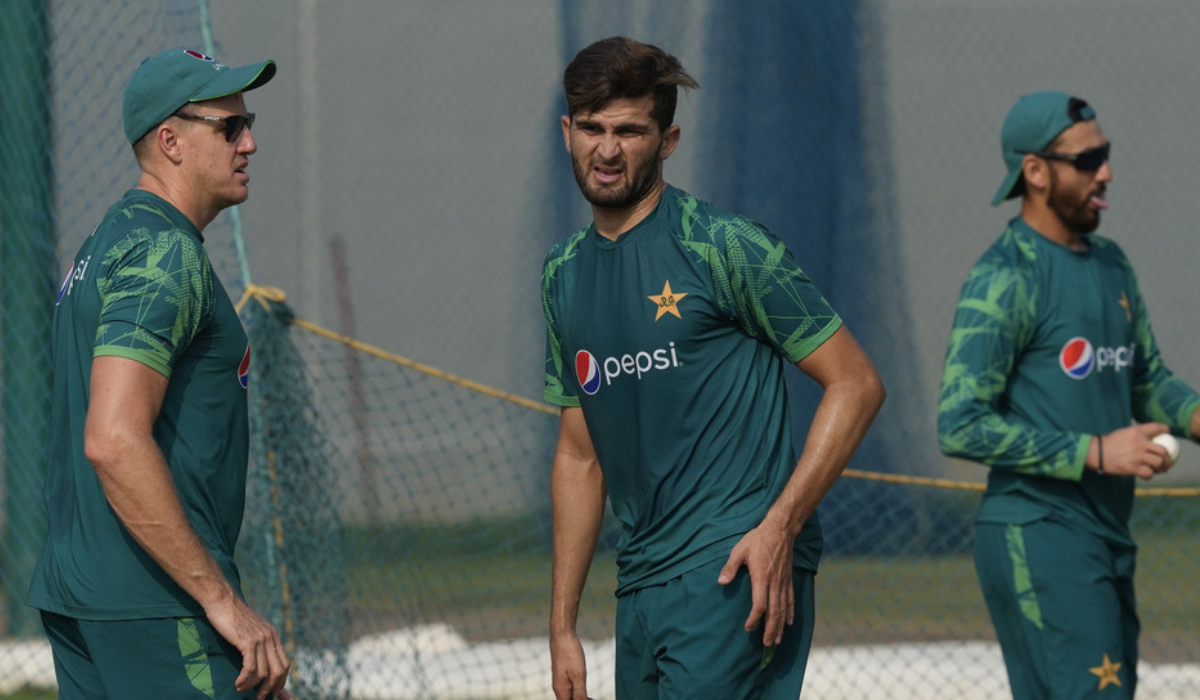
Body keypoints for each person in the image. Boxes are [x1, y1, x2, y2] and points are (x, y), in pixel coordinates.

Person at [541, 36, 885, 700]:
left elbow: (857, 383)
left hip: (731, 570)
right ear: (567, 131)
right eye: (592, 128)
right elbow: (580, 456)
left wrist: (780, 527)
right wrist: (562, 627)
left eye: (629, 132)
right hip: (639, 581)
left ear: (667, 141)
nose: (607, 150)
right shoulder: (563, 274)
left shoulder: (725, 246)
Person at [26, 49, 292, 700]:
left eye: (248, 122)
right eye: (229, 128)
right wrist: (221, 601)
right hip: (155, 604)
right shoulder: (160, 252)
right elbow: (113, 438)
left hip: (92, 597)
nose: (250, 142)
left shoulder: (107, 242)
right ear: (170, 140)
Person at [938, 91, 1200, 700]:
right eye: (1086, 160)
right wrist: (1094, 451)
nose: (1105, 171)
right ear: (1035, 171)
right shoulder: (1004, 276)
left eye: (1104, 155)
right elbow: (960, 423)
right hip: (1038, 532)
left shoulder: (1112, 264)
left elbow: (1145, 379)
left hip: (1107, 531)